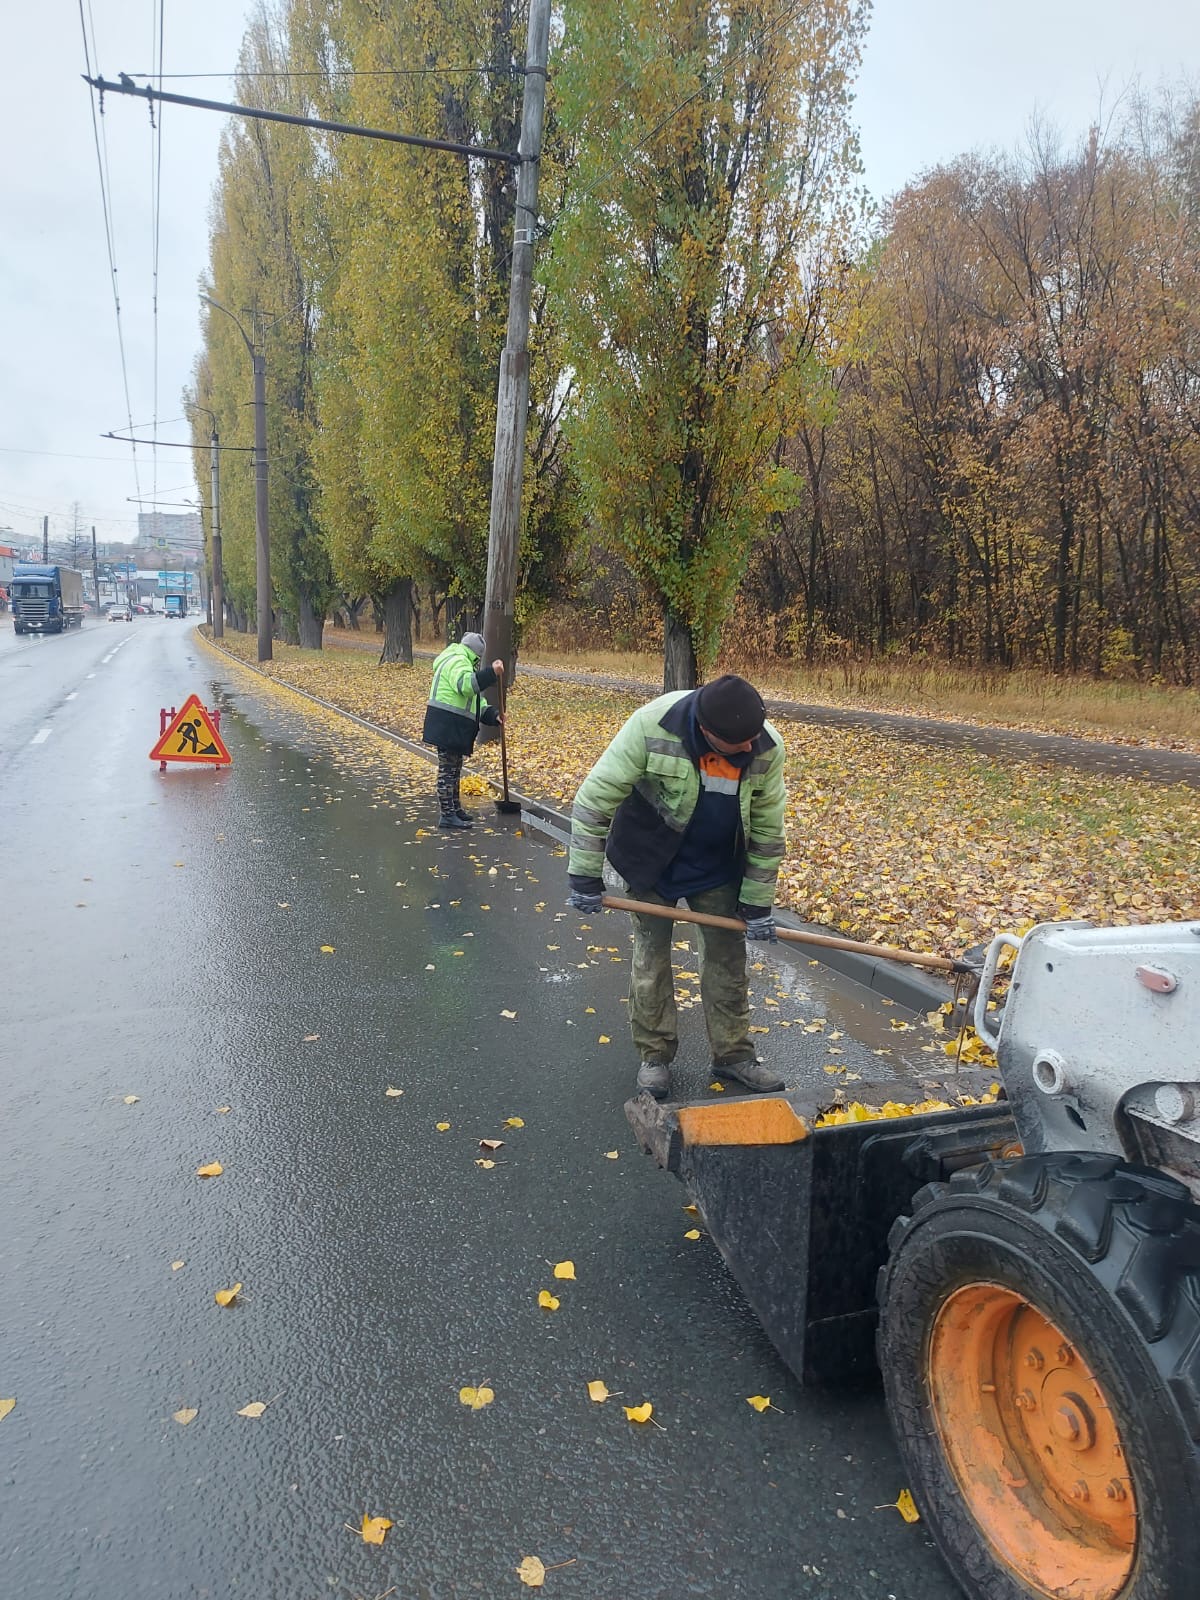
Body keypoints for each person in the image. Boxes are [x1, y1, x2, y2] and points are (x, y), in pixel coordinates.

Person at [567, 673, 787, 1099]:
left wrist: (757, 904)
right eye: (738, 743)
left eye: (752, 738)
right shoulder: (651, 726)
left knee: (727, 961)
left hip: (719, 864)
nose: (749, 748)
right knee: (651, 959)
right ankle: (655, 1057)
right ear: (707, 732)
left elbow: (767, 830)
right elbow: (594, 800)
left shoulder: (763, 744)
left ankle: (734, 1056)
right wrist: (584, 875)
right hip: (651, 857)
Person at [422, 632, 504, 829]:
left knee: (454, 769)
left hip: (450, 725)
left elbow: (473, 700)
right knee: (447, 771)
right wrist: (490, 673)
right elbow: (466, 686)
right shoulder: (458, 660)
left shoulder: (460, 659)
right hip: (447, 725)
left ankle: (455, 809)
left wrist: (492, 715)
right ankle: (447, 815)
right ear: (476, 654)